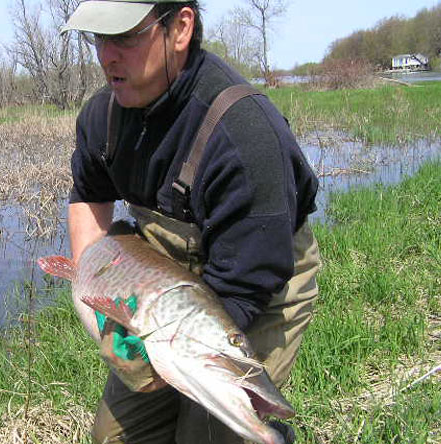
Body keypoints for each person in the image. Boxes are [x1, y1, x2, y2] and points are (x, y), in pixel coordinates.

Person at [61, 0, 321, 443]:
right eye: (99, 38)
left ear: (180, 29)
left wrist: (165, 353)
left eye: (124, 36)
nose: (106, 56)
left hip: (257, 280)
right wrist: (95, 286)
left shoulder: (244, 137)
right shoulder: (102, 117)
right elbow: (89, 193)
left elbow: (239, 294)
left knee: (209, 434)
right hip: (160, 280)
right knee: (115, 438)